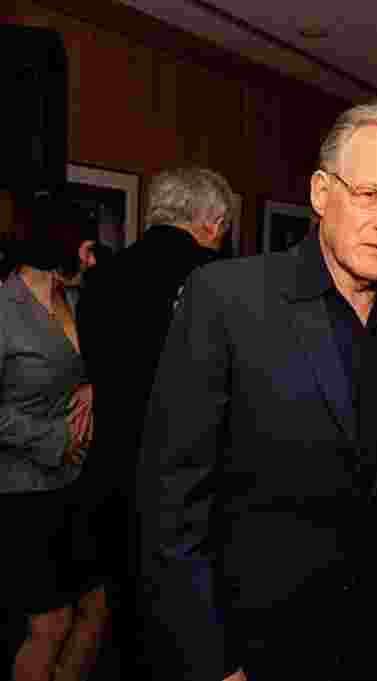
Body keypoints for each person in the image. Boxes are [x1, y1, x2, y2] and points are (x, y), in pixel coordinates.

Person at [136, 102, 377, 681]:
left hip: (369, 647)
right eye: (370, 194)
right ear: (321, 193)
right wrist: (210, 660)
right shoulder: (226, 299)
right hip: (252, 652)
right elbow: (171, 507)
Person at [75, 166, 233, 676]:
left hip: (111, 475)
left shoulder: (101, 279)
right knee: (188, 633)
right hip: (190, 487)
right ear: (211, 222)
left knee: (125, 633)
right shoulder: (218, 282)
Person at [1, 195, 107, 681]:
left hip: (75, 482)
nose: (92, 257)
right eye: (86, 246)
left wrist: (91, 383)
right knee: (50, 624)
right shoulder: (4, 308)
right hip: (24, 490)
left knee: (96, 609)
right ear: (59, 244)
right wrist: (51, 439)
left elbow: (87, 364)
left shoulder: (75, 298)